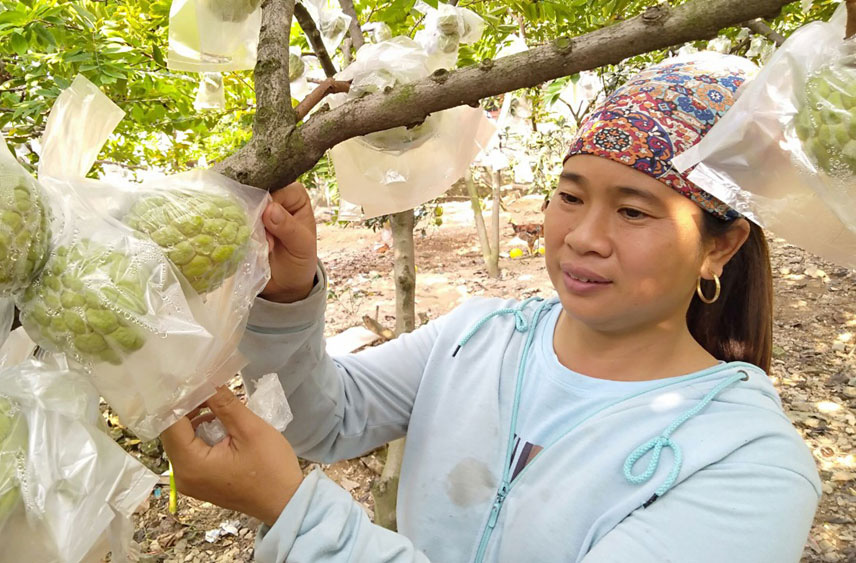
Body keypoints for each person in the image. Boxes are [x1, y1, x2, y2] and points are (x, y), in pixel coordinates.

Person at [160, 53, 820, 562]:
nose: (584, 236)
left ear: (721, 246)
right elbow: (324, 418)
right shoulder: (480, 336)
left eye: (633, 210)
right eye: (570, 195)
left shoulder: (746, 460)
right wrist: (287, 292)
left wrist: (294, 511)